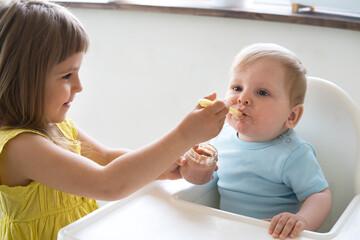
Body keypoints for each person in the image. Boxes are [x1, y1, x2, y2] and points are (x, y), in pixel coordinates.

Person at [0, 1, 229, 239]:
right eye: (67, 75)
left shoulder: (55, 125)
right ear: (24, 81)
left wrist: (162, 166)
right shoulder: (20, 147)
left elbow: (107, 158)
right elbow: (107, 183)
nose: (79, 86)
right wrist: (184, 135)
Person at [210, 43, 331, 239]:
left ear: (292, 115)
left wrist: (301, 220)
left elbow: (319, 195)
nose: (243, 98)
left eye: (262, 92)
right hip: (227, 232)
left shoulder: (293, 154)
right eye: (237, 87)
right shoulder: (221, 137)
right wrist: (193, 170)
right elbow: (208, 180)